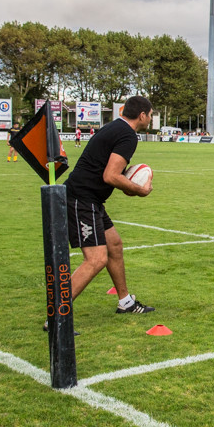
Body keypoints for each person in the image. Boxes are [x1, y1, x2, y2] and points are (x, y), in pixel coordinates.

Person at [61, 95, 156, 324]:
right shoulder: (127, 135)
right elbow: (110, 176)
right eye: (151, 115)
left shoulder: (115, 128)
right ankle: (56, 314)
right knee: (96, 259)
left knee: (114, 245)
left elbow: (110, 173)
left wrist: (128, 185)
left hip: (91, 199)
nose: (151, 119)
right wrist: (139, 190)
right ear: (142, 115)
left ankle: (126, 302)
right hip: (82, 199)